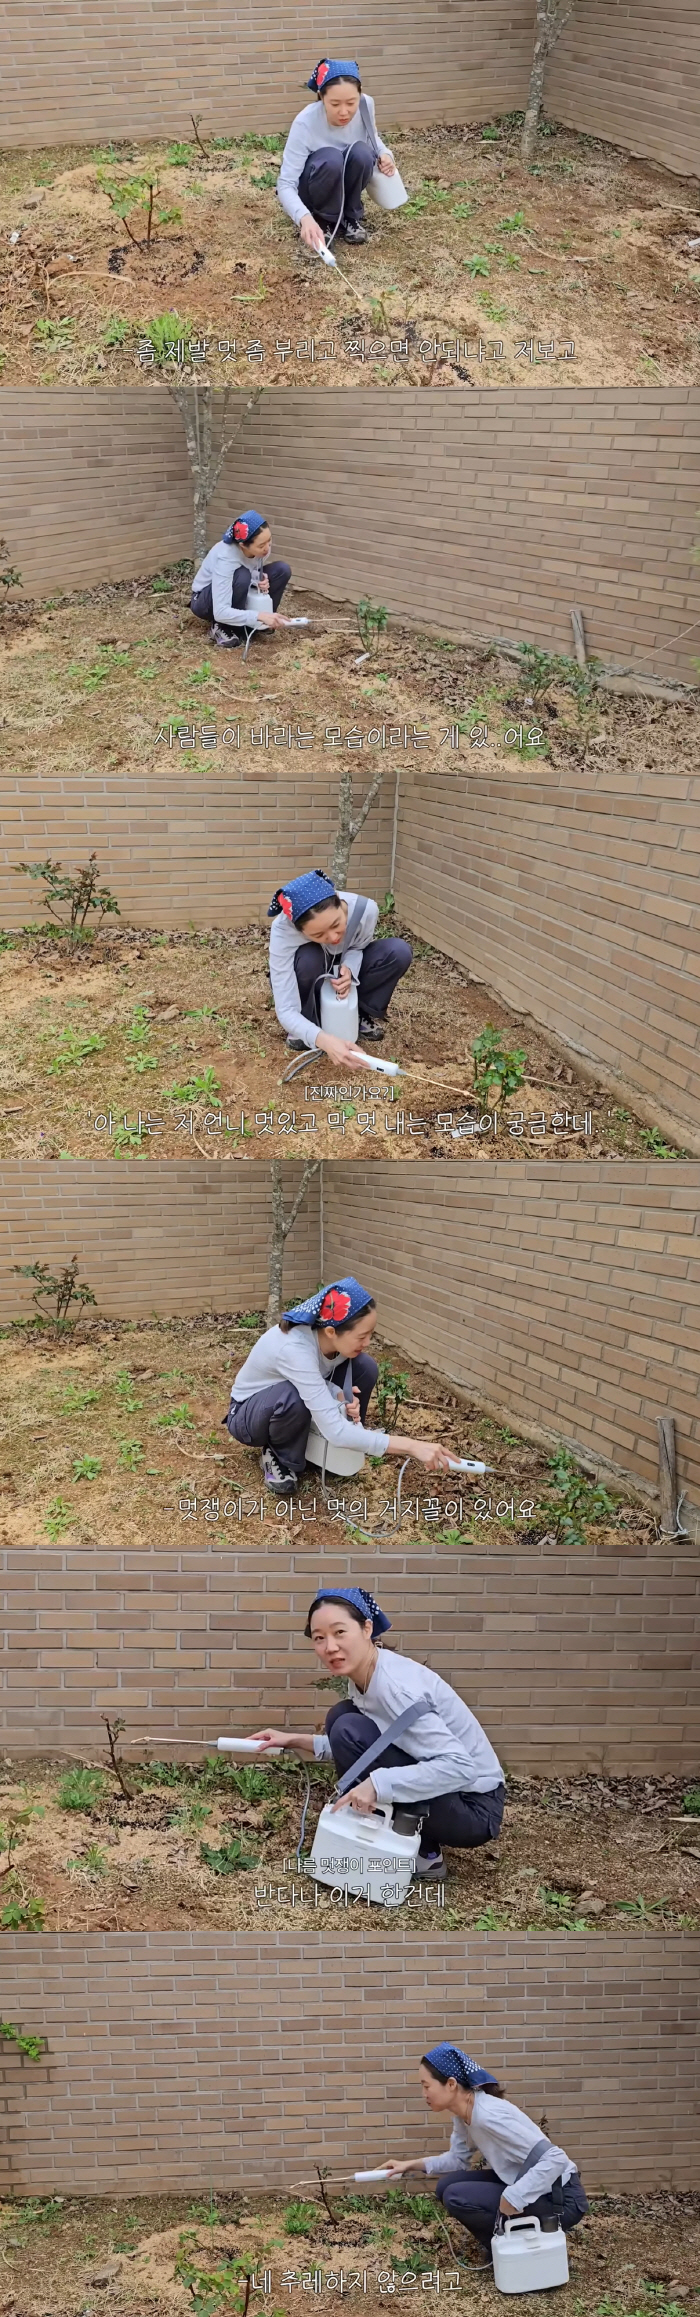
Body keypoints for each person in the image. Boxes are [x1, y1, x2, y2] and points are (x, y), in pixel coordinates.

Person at [250, 1583, 506, 1883]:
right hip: (453, 1797)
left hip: (473, 1810)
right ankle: (394, 1838)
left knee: (346, 1723)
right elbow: (375, 1745)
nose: (329, 1647)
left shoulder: (395, 1688)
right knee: (344, 1718)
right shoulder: (364, 1677)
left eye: (340, 1632)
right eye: (319, 1638)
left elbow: (460, 1768)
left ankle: (424, 1853)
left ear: (367, 1628)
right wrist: (293, 1740)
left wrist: (377, 1785)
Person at [225, 1277, 455, 1498]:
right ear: (331, 1331)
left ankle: (343, 1442)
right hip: (250, 1415)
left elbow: (317, 1381)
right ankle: (279, 1455)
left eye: (371, 1334)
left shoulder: (333, 1342)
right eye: (362, 1336)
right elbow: (302, 1387)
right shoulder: (293, 1350)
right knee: (292, 1396)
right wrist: (412, 1446)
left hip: (289, 1395)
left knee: (364, 1366)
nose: (367, 1343)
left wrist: (339, 1396)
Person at [382, 2046, 588, 2256]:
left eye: (427, 2086)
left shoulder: (488, 2115)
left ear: (451, 2084)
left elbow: (556, 2158)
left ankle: (517, 2253)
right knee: (446, 2186)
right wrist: (409, 2165)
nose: (423, 2094)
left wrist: (515, 2196)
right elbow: (457, 2160)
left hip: (561, 2199)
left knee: (455, 2196)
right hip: (529, 2184)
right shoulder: (464, 2113)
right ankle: (506, 2246)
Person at [268, 871, 412, 1060]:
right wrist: (324, 1040)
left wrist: (350, 968)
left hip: (342, 962)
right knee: (309, 956)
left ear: (337, 898)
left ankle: (358, 1013)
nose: (334, 938)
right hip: (312, 965)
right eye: (319, 935)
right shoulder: (282, 931)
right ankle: (307, 1021)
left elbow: (358, 946)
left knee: (398, 951)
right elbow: (285, 1008)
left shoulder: (365, 910)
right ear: (298, 929)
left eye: (336, 924)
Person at [277, 57, 397, 251]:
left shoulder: (366, 105)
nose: (344, 112)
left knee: (363, 153)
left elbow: (372, 139)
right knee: (331, 158)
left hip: (343, 182)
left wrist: (385, 155)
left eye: (351, 102)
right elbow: (285, 184)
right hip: (315, 185)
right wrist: (303, 218)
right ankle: (323, 220)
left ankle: (350, 216)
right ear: (321, 97)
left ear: (360, 95)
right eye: (334, 104)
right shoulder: (305, 122)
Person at [190, 510, 292, 649]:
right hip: (206, 600)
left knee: (281, 570)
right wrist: (257, 615)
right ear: (243, 545)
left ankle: (263, 622)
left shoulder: (263, 547)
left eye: (269, 541)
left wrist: (258, 578)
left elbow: (251, 569)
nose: (267, 548)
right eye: (261, 546)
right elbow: (220, 610)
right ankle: (223, 627)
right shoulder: (226, 558)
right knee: (242, 575)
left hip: (236, 583)